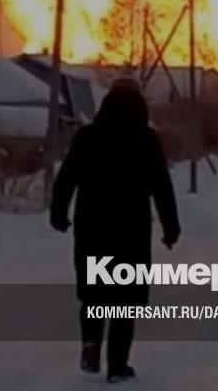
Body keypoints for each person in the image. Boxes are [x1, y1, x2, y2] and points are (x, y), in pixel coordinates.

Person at [50, 78, 180, 384]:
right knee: (126, 298)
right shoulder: (146, 140)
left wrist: (59, 213)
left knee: (94, 295)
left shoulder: (87, 137)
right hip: (130, 233)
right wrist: (170, 226)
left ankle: (91, 347)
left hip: (92, 230)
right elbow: (161, 186)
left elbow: (67, 177)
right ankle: (118, 366)